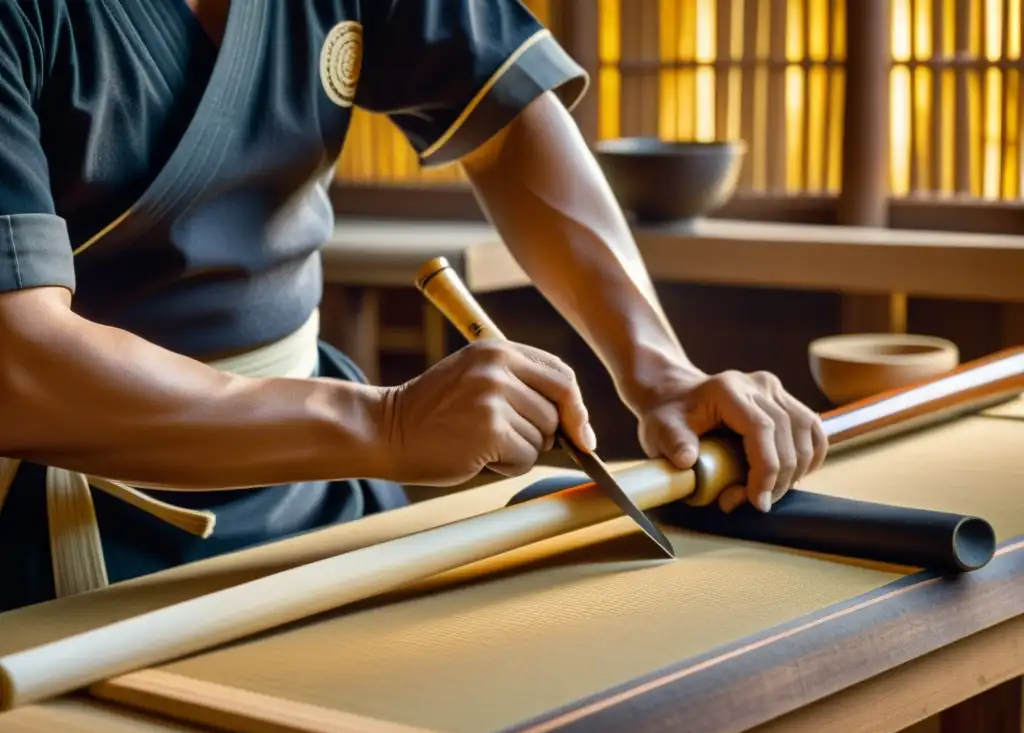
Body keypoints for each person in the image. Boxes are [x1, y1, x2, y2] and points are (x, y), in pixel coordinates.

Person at [0, 0, 827, 612]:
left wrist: (660, 372)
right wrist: (387, 426)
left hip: (323, 498)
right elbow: (18, 365)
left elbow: (510, 119)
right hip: (63, 531)